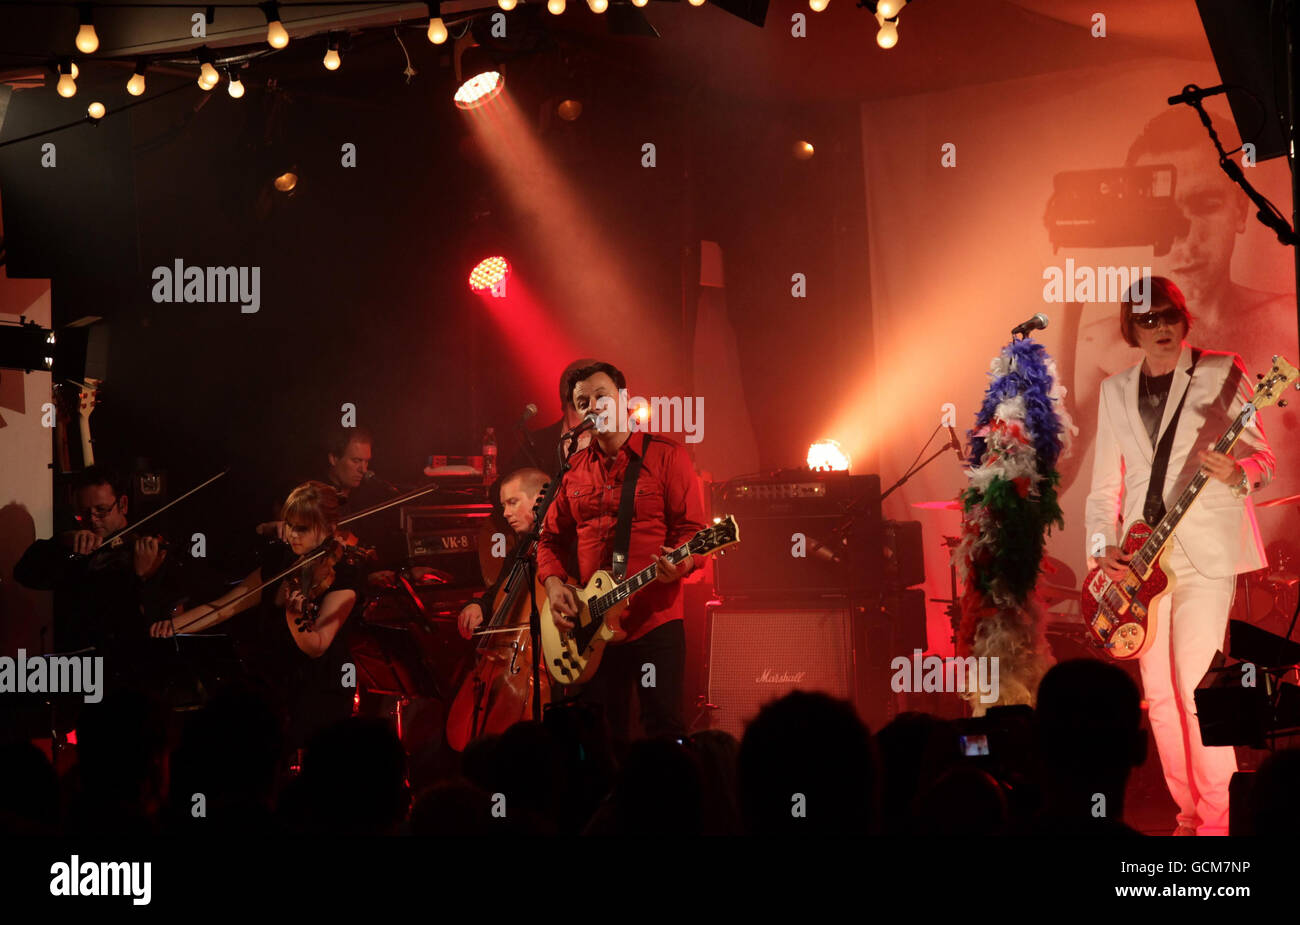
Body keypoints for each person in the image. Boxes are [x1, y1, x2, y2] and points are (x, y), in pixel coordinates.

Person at [1084, 276, 1275, 835]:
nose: (1161, 328)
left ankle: (1218, 824)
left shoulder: (1222, 369)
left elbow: (1263, 458)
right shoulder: (1114, 390)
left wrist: (1239, 470)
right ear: (1131, 329)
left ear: (1184, 319)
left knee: (1195, 687)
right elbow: (1103, 490)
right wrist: (1102, 549)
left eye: (1169, 316)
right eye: (1148, 320)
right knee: (1161, 698)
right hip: (1142, 560)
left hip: (1202, 551)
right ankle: (1188, 815)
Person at [537, 361, 707, 747]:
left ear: (625, 401)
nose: (592, 406)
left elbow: (694, 531)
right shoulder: (573, 470)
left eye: (601, 396)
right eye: (582, 402)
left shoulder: (667, 456)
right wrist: (552, 582)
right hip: (591, 623)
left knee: (663, 732)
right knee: (598, 740)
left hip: (655, 620)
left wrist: (682, 562)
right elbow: (547, 539)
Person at [151, 481, 364, 752]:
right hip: (277, 682)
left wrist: (293, 616)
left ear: (328, 529)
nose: (290, 534)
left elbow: (318, 645)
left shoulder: (345, 573)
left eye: (302, 528)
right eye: (288, 524)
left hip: (319, 689)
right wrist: (171, 627)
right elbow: (225, 606)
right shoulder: (280, 559)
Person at [14, 465, 171, 670]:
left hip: (131, 669)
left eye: (102, 510)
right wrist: (64, 540)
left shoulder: (145, 551)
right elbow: (25, 574)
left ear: (122, 504)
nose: (93, 520)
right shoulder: (74, 553)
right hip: (79, 669)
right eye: (84, 514)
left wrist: (144, 578)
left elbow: (161, 625)